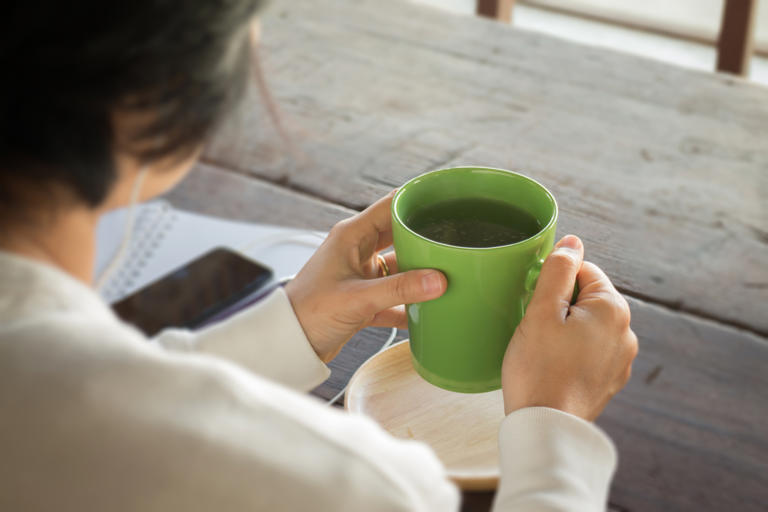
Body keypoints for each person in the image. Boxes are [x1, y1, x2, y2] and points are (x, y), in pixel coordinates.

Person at [0, 1, 638, 511]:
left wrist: (295, 324)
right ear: (151, 91)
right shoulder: (359, 487)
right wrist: (554, 435)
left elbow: (85, 401)